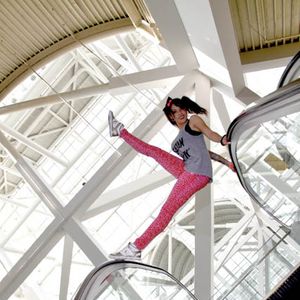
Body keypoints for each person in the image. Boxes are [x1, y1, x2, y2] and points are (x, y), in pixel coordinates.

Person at [108, 96, 233, 260]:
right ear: (171, 117)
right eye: (175, 111)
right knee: (153, 151)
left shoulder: (193, 121)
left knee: (166, 211)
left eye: (181, 108)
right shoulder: (176, 141)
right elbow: (204, 153)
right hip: (186, 168)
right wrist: (226, 163)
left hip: (196, 174)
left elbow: (209, 133)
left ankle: (136, 248)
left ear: (186, 109)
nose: (180, 113)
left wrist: (222, 140)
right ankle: (120, 131)